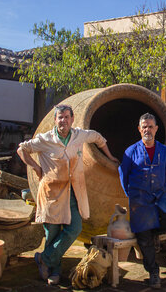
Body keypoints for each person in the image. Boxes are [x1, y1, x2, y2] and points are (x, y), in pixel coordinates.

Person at [17, 104, 118, 285]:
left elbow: (98, 138)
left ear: (72, 119)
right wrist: (36, 168)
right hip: (52, 193)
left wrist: (109, 156)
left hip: (73, 192)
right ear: (55, 120)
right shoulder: (45, 139)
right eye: (60, 117)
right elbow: (22, 149)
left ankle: (44, 259)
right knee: (52, 234)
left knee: (75, 229)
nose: (63, 120)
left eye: (66, 117)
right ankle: (53, 272)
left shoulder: (80, 135)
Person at [119, 113, 166, 289]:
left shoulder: (164, 151)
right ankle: (153, 272)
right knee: (144, 239)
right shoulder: (130, 152)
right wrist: (132, 195)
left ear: (156, 129)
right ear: (139, 129)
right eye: (144, 127)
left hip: (159, 195)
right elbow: (124, 176)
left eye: (150, 126)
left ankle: (155, 232)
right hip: (139, 199)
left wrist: (159, 190)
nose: (147, 130)